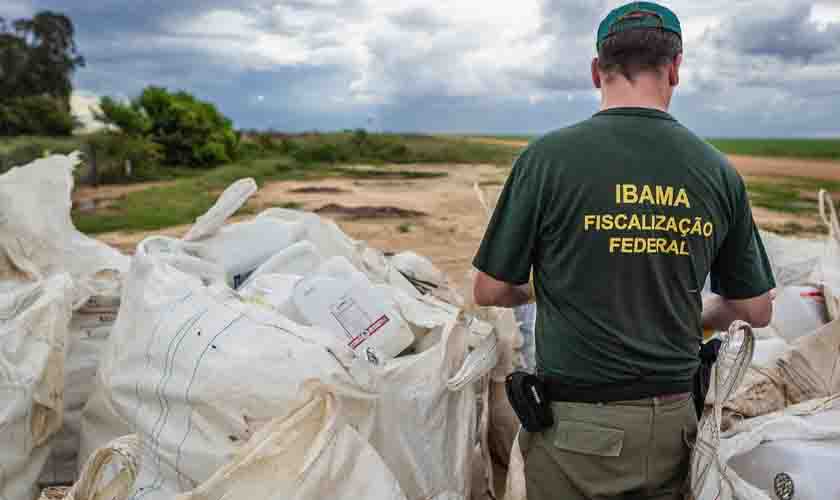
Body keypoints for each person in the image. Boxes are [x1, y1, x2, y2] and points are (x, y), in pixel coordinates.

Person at [471, 2, 776, 499]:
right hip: (676, 430)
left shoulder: (545, 159)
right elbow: (756, 309)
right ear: (674, 68)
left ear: (597, 70)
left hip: (572, 435)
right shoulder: (718, 171)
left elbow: (489, 288)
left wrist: (551, 284)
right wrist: (699, 308)